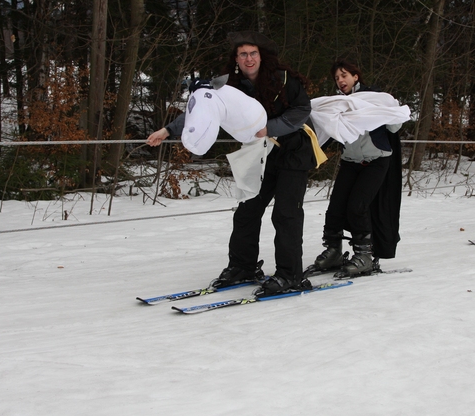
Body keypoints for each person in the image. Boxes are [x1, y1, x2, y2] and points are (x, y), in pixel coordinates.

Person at [146, 31, 317, 296]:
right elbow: (202, 111)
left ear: (261, 56)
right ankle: (242, 267)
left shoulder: (284, 79)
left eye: (253, 53)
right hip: (259, 153)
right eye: (243, 54)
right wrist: (168, 131)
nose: (249, 59)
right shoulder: (226, 87)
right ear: (236, 59)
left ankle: (290, 274)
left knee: (286, 213)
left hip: (293, 151)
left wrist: (269, 127)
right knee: (247, 210)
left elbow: (302, 110)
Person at [310, 58, 406, 277]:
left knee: (357, 205)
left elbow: (395, 125)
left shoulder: (374, 98)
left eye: (344, 75)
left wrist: (389, 108)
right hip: (351, 162)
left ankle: (364, 255)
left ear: (356, 76)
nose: (340, 80)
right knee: (335, 207)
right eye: (336, 78)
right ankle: (333, 251)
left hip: (376, 161)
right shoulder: (336, 105)